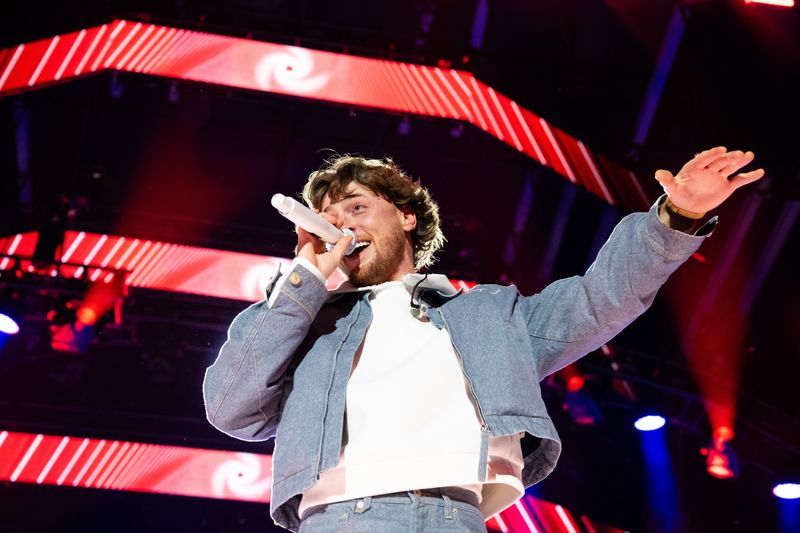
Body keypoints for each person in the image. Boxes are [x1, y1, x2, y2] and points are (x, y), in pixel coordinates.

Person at [203, 147, 763, 532]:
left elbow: (602, 297)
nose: (343, 225)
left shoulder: (490, 315)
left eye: (357, 207)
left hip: (458, 518)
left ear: (406, 218)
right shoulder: (301, 321)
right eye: (328, 218)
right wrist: (305, 279)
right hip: (341, 519)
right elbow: (231, 409)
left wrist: (677, 216)